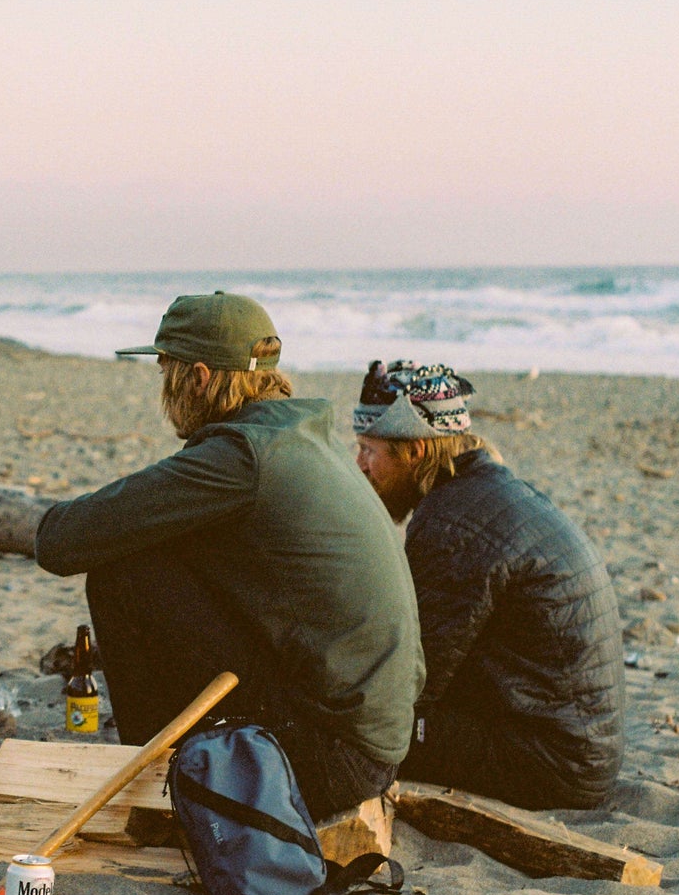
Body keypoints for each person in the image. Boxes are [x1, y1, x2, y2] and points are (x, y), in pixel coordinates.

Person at [33, 293, 423, 817]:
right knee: (164, 559)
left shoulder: (242, 455)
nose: (163, 388)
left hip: (331, 760)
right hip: (374, 742)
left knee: (121, 573)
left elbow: (59, 542)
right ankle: (180, 763)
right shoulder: (306, 436)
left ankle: (163, 786)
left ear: (198, 377)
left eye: (163, 370)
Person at [352, 360, 624, 810]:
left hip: (552, 765)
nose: (359, 466)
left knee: (359, 736)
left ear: (415, 451)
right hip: (577, 748)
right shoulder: (485, 492)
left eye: (368, 450)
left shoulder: (453, 523)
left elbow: (415, 678)